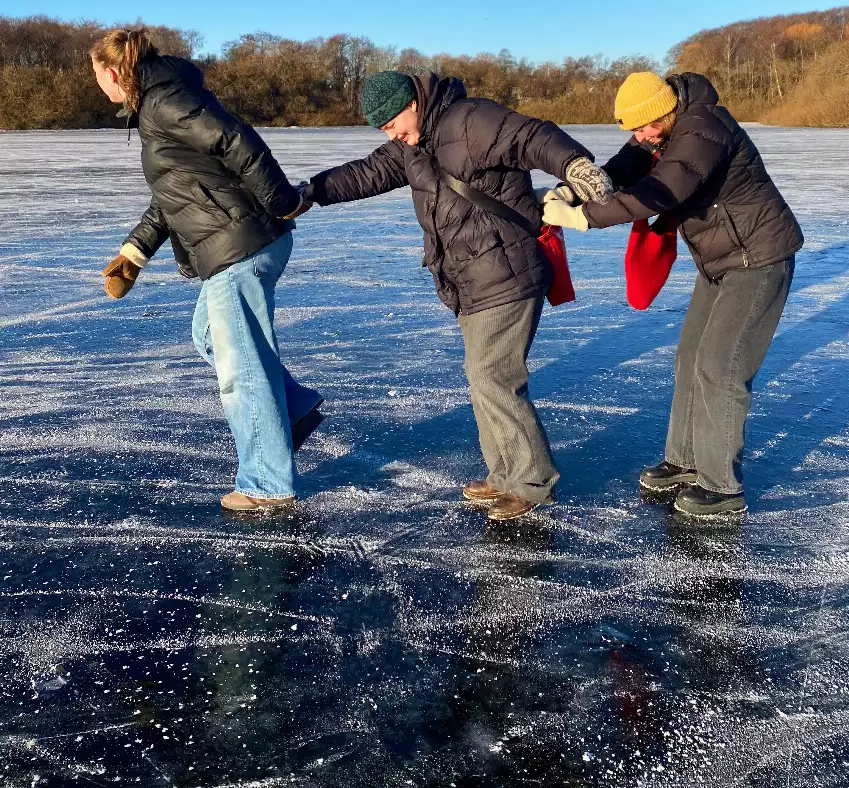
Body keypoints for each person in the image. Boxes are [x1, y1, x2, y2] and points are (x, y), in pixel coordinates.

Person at [297, 69, 609, 521]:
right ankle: (504, 474)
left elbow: (530, 136)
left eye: (392, 124)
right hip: (469, 277)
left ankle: (531, 481)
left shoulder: (470, 119)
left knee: (494, 375)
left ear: (412, 104)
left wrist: (574, 164)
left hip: (504, 269)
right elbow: (368, 172)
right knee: (484, 376)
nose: (391, 134)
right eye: (384, 129)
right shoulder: (414, 143)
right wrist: (311, 192)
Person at [541, 70, 803, 519]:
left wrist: (583, 217)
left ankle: (722, 488)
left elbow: (660, 191)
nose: (640, 136)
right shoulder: (662, 125)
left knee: (720, 366)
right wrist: (575, 189)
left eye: (643, 127)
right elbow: (627, 166)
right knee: (689, 359)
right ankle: (684, 461)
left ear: (664, 111)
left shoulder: (703, 128)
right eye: (634, 129)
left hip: (758, 259)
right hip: (719, 259)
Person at [90, 28, 323, 513]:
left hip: (241, 242)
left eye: (97, 77)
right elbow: (174, 193)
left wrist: (282, 200)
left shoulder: (164, 101)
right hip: (235, 240)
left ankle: (266, 482)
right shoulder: (158, 104)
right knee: (209, 335)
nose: (98, 85)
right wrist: (135, 252)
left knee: (242, 365)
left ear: (112, 73)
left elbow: (234, 139)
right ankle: (292, 409)